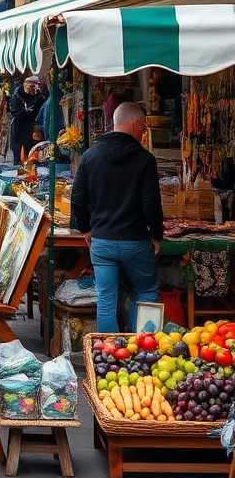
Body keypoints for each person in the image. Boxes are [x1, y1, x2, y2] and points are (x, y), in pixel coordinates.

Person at [70, 102, 164, 333]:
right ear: (135, 123)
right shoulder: (145, 159)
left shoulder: (90, 155)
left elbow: (78, 197)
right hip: (135, 241)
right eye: (144, 126)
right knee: (147, 291)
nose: (144, 131)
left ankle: (107, 354)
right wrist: (156, 235)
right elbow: (151, 203)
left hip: (102, 241)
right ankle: (143, 348)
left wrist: (85, 229)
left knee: (106, 300)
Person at [8, 75, 44, 164]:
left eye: (35, 87)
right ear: (26, 85)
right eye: (32, 86)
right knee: (21, 155)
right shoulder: (17, 95)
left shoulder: (39, 95)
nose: (34, 89)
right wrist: (26, 111)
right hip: (20, 130)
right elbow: (14, 112)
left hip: (34, 129)